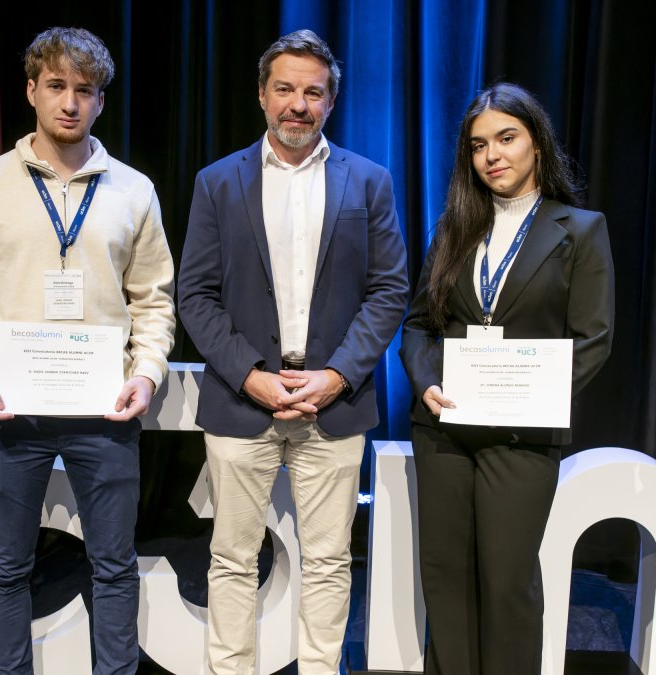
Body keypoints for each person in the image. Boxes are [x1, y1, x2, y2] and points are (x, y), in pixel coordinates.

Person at [0, 27, 175, 675]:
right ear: (31, 89)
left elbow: (154, 300)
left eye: (84, 90)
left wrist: (147, 373)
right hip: (10, 409)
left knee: (114, 565)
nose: (70, 102)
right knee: (6, 567)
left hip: (105, 412)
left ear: (100, 101)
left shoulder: (134, 191)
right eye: (57, 85)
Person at [178, 29, 409, 675]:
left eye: (313, 92)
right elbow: (194, 294)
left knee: (330, 560)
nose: (298, 105)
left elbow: (390, 290)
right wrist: (249, 376)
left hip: (333, 403)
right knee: (231, 558)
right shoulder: (217, 182)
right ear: (262, 95)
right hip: (241, 401)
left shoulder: (370, 181)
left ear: (331, 101)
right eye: (285, 89)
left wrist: (337, 375)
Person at [400, 82, 614, 674]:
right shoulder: (454, 227)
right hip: (445, 426)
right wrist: (426, 383)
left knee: (507, 579)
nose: (492, 155)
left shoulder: (580, 229)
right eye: (478, 145)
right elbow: (418, 326)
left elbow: (593, 338)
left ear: (536, 143)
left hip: (523, 433)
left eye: (506, 138)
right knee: (444, 575)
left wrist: (531, 396)